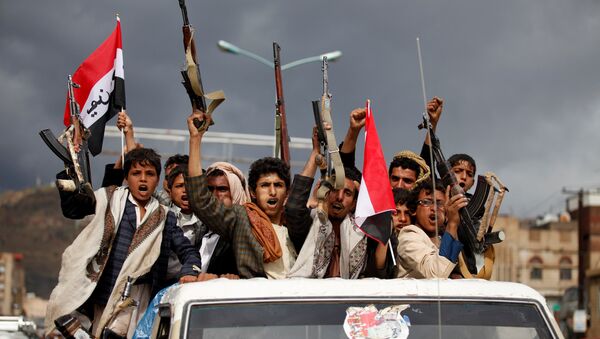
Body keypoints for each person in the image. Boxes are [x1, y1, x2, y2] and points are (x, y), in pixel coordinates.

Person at [45, 148, 201, 338]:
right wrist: (71, 161)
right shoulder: (109, 199)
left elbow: (187, 250)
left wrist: (190, 272)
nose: (143, 179)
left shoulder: (164, 216)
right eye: (136, 173)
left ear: (159, 180)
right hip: (105, 294)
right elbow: (73, 209)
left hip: (140, 300)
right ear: (126, 177)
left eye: (150, 174)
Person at [184, 111, 300, 279]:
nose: (272, 192)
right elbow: (202, 201)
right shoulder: (243, 219)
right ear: (252, 192)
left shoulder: (297, 225)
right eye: (265, 185)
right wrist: (195, 139)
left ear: (287, 193)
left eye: (278, 185)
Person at [395, 179, 468, 278]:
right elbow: (436, 273)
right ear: (413, 210)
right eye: (426, 202)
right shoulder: (408, 236)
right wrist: (452, 223)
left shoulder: (445, 237)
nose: (434, 208)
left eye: (439, 203)